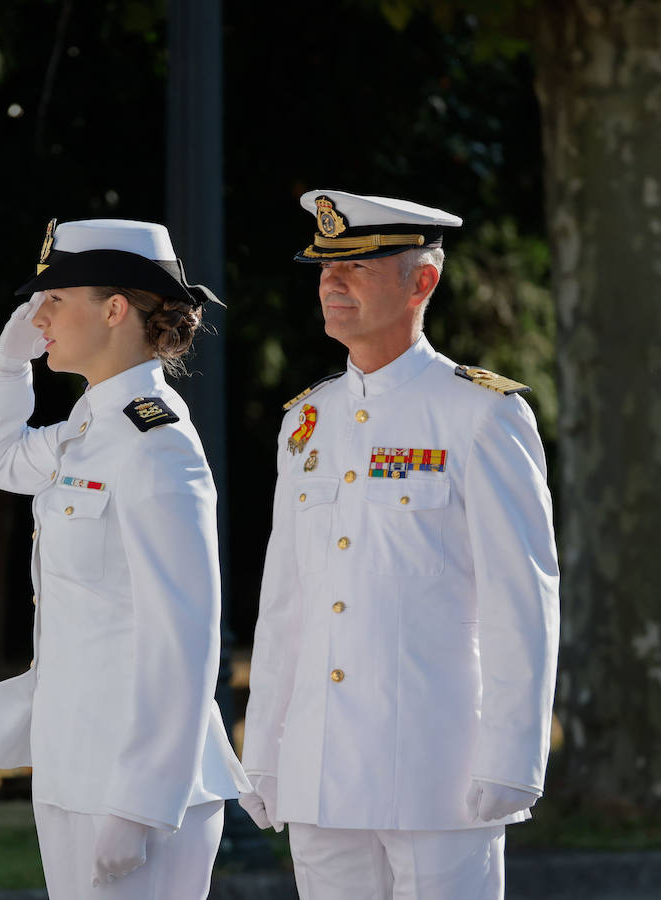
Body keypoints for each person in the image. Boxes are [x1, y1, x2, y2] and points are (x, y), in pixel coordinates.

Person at [239, 190, 561, 899]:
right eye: (324, 266)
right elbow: (285, 604)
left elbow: (521, 600)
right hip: (321, 768)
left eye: (355, 265)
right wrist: (263, 749)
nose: (331, 281)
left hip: (436, 769)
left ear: (423, 281)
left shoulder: (480, 414)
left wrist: (513, 755)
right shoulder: (307, 420)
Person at [0, 219, 248, 899]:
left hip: (135, 788)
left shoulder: (155, 441)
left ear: (115, 310)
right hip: (74, 768)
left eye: (55, 298)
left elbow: (184, 635)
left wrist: (142, 802)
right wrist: (8, 368)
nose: (38, 317)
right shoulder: (92, 427)